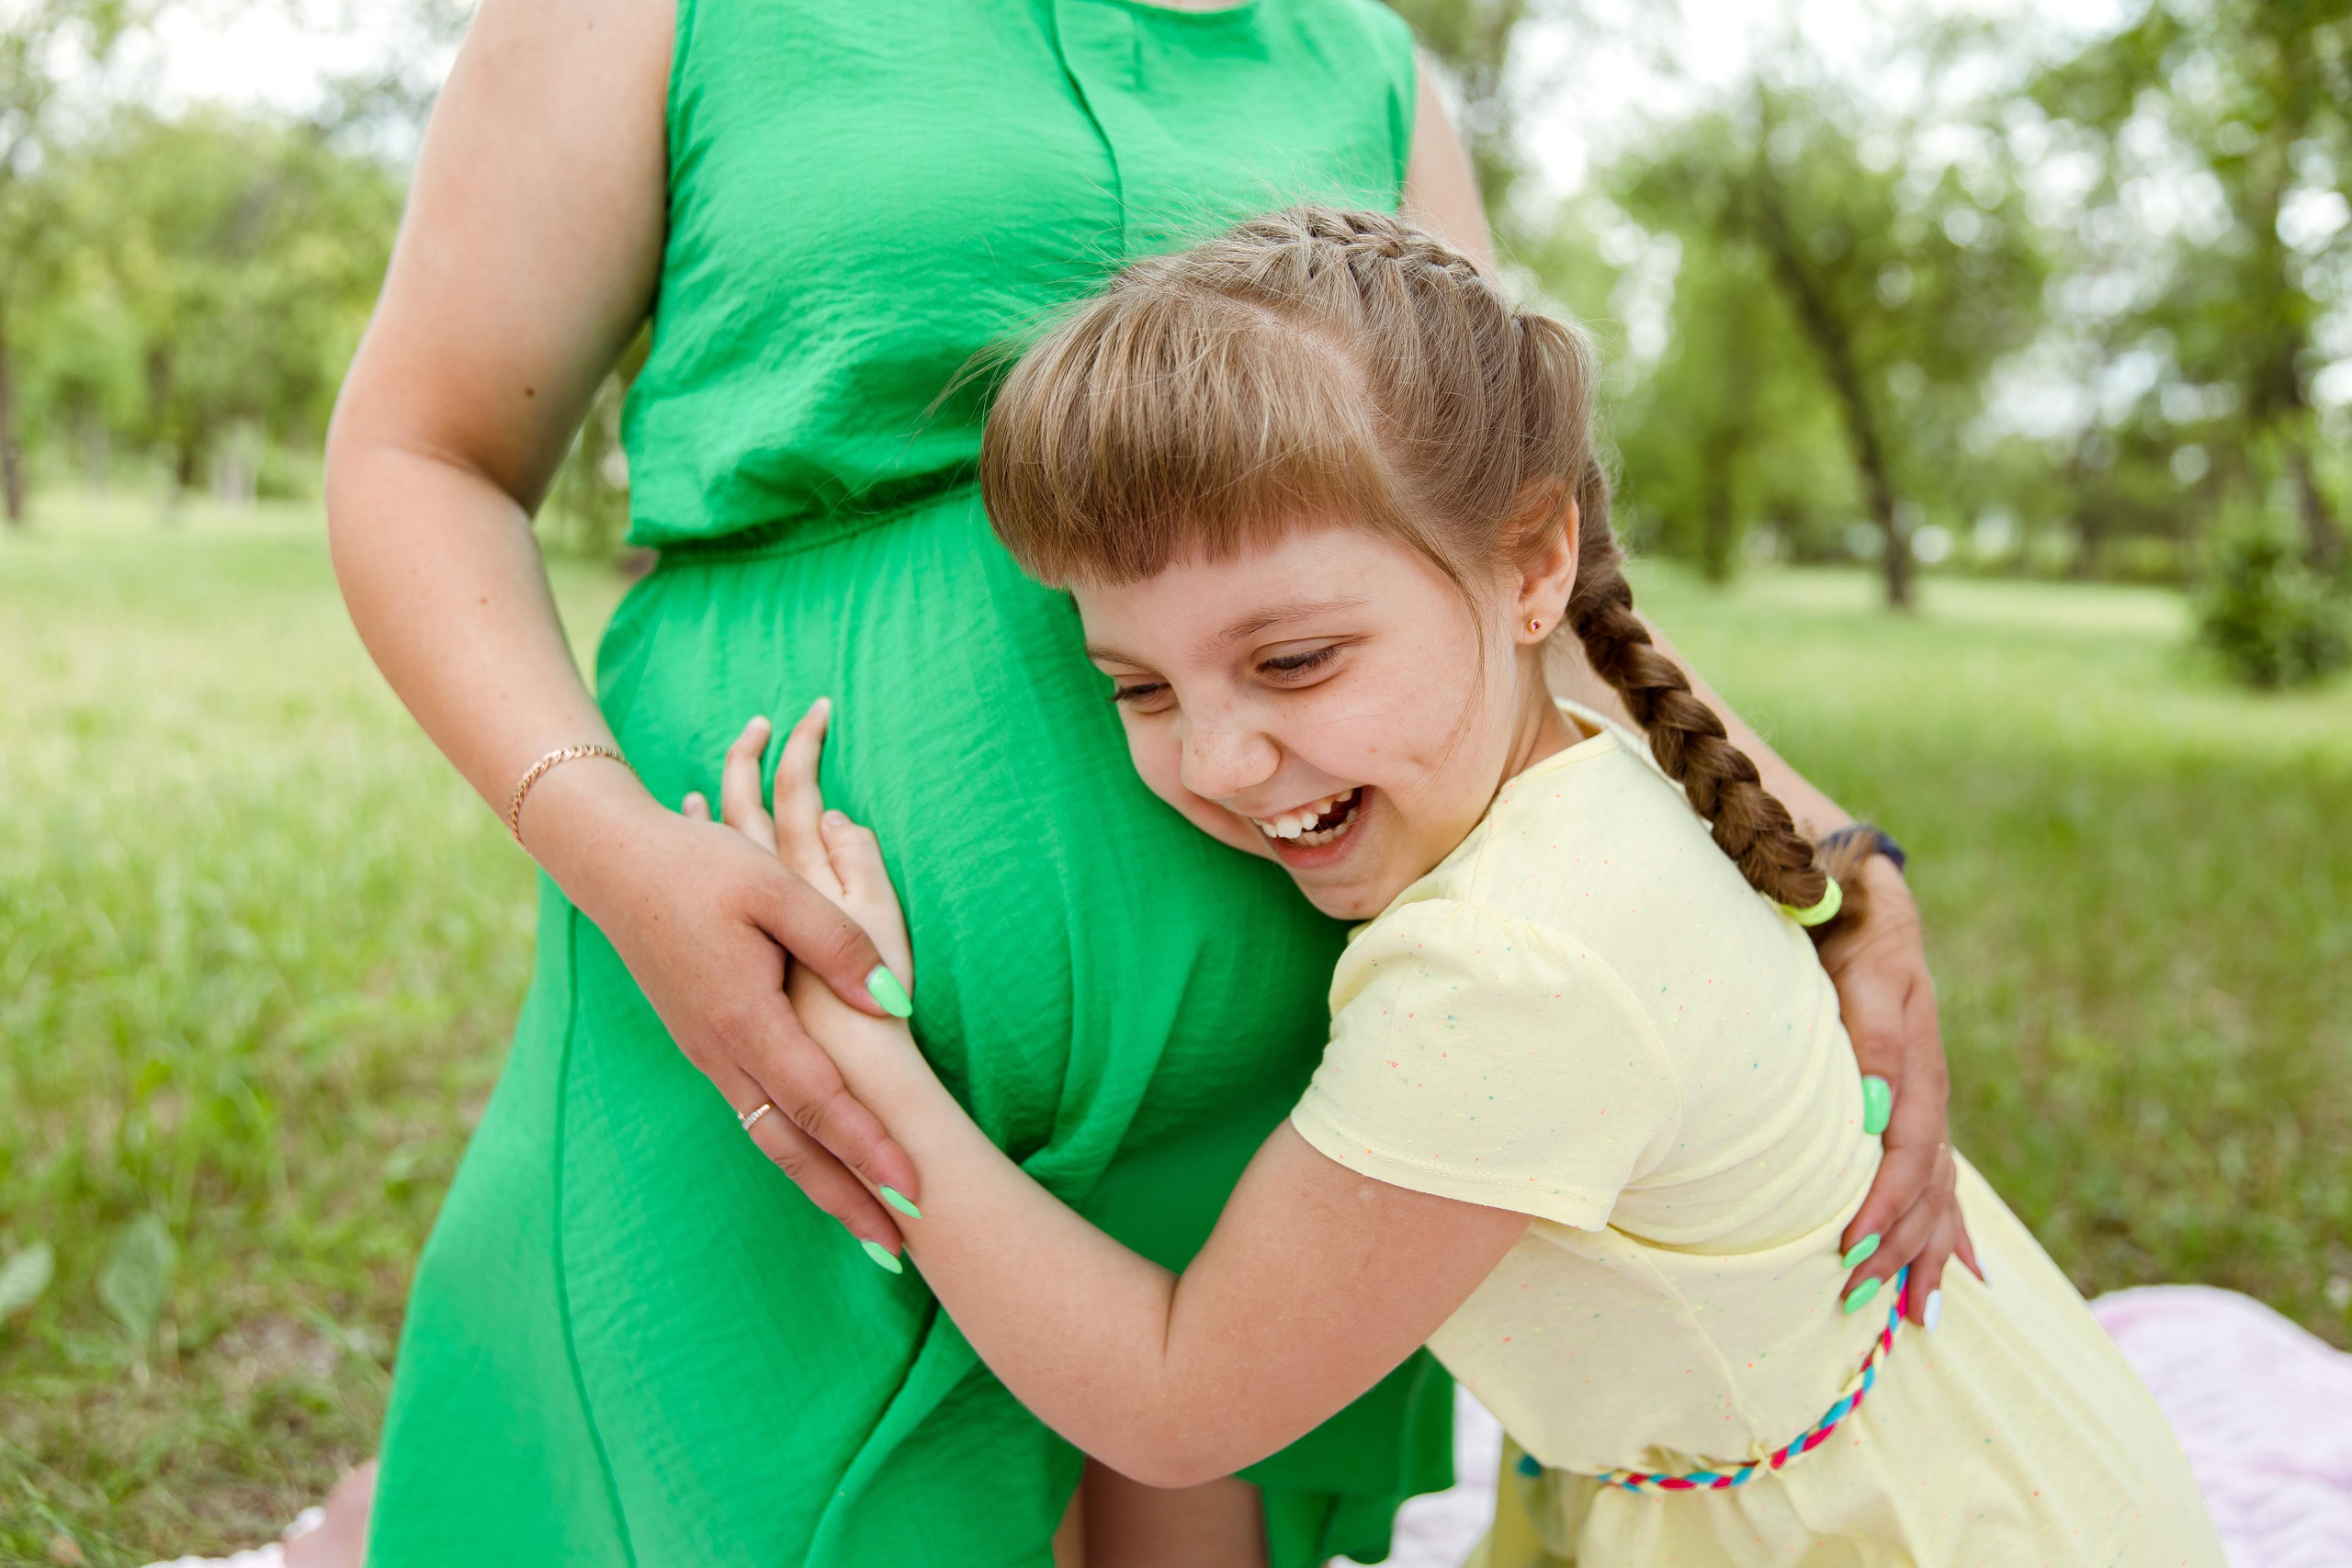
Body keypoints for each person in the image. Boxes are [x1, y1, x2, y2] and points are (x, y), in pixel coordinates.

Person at [321, 0, 1966, 1561]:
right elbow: (422, 451)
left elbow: (1508, 544)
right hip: (758, 1002)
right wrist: (618, 858)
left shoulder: (1364, 67)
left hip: (1260, 1105)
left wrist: (1823, 850)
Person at [712, 207, 2222, 1566]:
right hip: (1961, 1450)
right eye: (1138, 686)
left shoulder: (1510, 969)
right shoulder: (1592, 773)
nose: (1225, 759)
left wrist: (866, 1067)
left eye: (1293, 660)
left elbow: (1181, 1403)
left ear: (1530, 569)